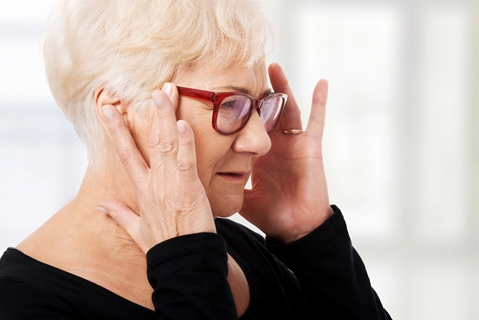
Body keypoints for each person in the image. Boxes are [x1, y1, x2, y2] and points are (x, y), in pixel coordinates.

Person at [0, 0, 392, 319]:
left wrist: (311, 242)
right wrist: (186, 267)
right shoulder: (21, 302)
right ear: (118, 110)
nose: (261, 141)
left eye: (260, 106)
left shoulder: (228, 245)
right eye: (230, 104)